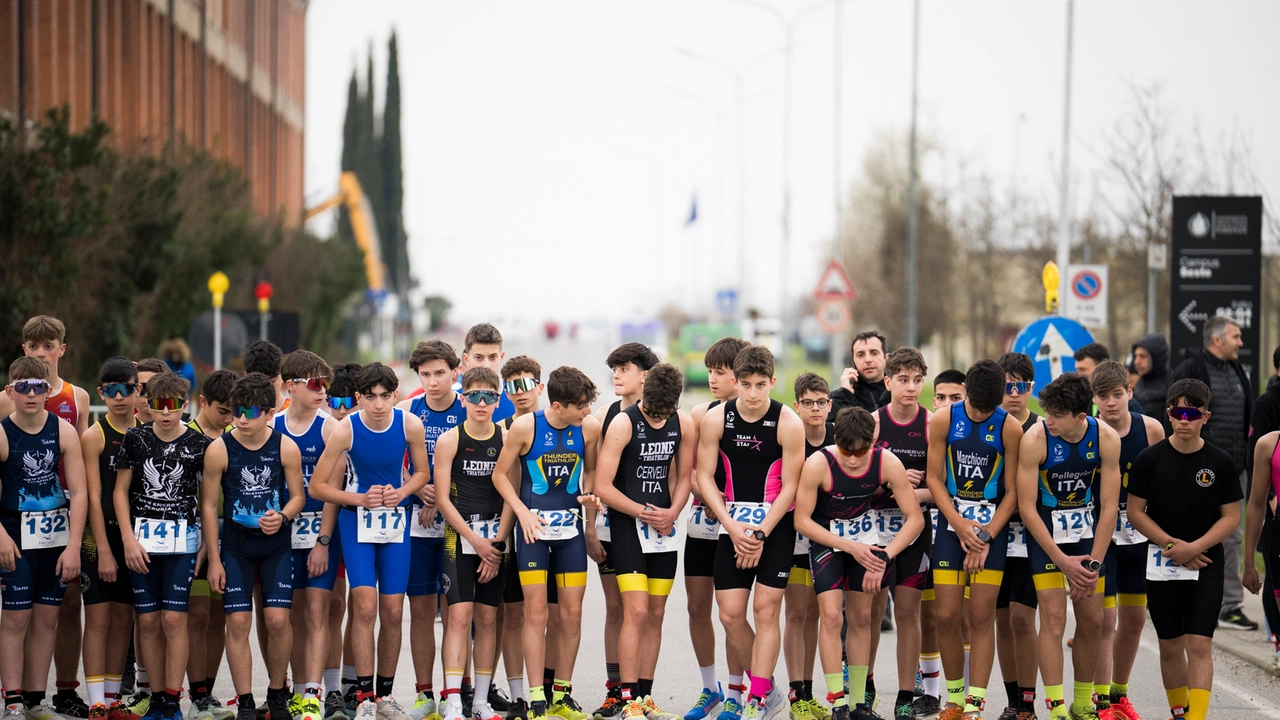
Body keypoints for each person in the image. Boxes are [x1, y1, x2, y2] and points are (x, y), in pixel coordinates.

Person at [309, 363, 431, 720]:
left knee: (393, 611)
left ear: (395, 395)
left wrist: (404, 491)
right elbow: (318, 487)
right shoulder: (346, 429)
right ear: (359, 397)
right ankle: (363, 695)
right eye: (370, 397)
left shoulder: (410, 424)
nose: (378, 405)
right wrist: (359, 498)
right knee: (363, 607)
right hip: (357, 521)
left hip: (395, 522)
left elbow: (422, 472)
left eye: (385, 396)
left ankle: (386, 696)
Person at [793, 406, 924, 720]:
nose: (852, 459)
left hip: (866, 546)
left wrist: (885, 554)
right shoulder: (818, 464)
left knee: (863, 618)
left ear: (874, 441)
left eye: (861, 451)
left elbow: (915, 519)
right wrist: (849, 546)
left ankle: (858, 704)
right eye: (846, 451)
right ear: (835, 440)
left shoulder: (887, 463)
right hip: (830, 542)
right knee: (831, 616)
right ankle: (837, 702)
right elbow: (801, 520)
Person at [696, 346, 805, 720]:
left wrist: (759, 534)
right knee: (729, 615)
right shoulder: (717, 419)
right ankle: (770, 689)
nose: (754, 393)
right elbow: (704, 477)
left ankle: (756, 698)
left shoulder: (788, 422)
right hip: (732, 526)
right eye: (746, 385)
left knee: (765, 610)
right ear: (735, 383)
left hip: (774, 527)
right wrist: (731, 526)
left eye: (761, 385)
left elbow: (791, 486)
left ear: (773, 382)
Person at [1127, 378, 1242, 720]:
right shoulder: (1150, 459)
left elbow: (1231, 517)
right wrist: (1171, 545)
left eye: (1192, 413)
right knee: (1170, 644)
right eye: (1178, 413)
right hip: (1163, 561)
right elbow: (1135, 512)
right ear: (1168, 414)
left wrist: (1194, 548)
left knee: (1199, 644)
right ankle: (1179, 712)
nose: (1184, 421)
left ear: (1206, 417)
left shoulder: (1220, 462)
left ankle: (1196, 717)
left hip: (1206, 561)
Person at [491, 367, 602, 720]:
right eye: (581, 406)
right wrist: (522, 512)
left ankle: (562, 694)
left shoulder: (590, 428)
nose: (587, 412)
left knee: (570, 614)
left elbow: (591, 473)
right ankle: (536, 696)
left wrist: (588, 504)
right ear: (558, 405)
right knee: (535, 614)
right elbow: (500, 476)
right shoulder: (526, 427)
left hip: (569, 534)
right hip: (533, 535)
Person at [591, 363, 694, 720]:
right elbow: (603, 486)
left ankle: (646, 696)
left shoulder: (683, 423)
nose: (656, 418)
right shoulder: (624, 423)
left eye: (663, 414)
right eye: (651, 411)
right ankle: (628, 696)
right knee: (634, 611)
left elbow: (684, 477)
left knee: (656, 613)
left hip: (664, 528)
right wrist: (642, 512)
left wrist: (673, 512)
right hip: (627, 525)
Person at [1016, 374, 1121, 720]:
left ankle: (1081, 703)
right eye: (1047, 412)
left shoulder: (1104, 437)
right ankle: (1057, 706)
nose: (1049, 421)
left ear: (1080, 416)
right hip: (1046, 536)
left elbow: (1109, 507)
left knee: (1093, 620)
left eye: (1057, 415)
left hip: (1086, 535)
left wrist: (1092, 565)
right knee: (1055, 619)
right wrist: (1062, 562)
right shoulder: (1036, 438)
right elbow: (1027, 508)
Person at [203, 373, 307, 720]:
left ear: (269, 412)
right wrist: (214, 560)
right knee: (237, 622)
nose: (241, 419)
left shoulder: (285, 447)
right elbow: (208, 506)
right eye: (236, 411)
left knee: (277, 620)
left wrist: (283, 517)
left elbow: (298, 497)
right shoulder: (219, 449)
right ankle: (245, 700)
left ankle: (277, 693)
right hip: (235, 546)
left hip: (275, 546)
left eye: (250, 412)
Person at [925, 361, 1023, 720]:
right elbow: (934, 479)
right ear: (965, 391)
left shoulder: (1009, 428)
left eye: (988, 409)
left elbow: (1013, 493)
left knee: (982, 618)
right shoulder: (944, 420)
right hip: (952, 527)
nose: (982, 414)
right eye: (976, 407)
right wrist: (959, 524)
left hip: (991, 532)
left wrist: (984, 536)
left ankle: (975, 704)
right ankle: (953, 699)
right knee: (947, 615)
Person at [114, 371, 209, 720]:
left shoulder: (200, 444)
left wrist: (205, 546)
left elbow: (209, 499)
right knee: (149, 621)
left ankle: (172, 700)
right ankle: (155, 699)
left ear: (185, 406)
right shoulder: (135, 438)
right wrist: (127, 540)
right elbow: (120, 491)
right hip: (142, 544)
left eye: (172, 406)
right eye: (158, 406)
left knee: (173, 620)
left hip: (183, 543)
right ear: (147, 406)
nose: (165, 413)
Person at [0, 356, 88, 720]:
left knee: (47, 618)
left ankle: (37, 699)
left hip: (54, 537)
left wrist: (73, 546)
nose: (32, 394)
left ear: (48, 391)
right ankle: (13, 699)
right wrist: (2, 537)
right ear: (10, 392)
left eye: (39, 387)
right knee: (16, 619)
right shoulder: (3, 433)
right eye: (23, 387)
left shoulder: (63, 432)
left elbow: (80, 493)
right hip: (15, 536)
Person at [21, 316, 93, 720]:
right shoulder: (6, 397)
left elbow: (81, 457)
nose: (40, 354)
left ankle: (65, 690)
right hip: (22, 508)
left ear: (61, 350)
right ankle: (21, 692)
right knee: (20, 606)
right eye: (33, 347)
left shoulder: (76, 397)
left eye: (47, 346)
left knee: (66, 602)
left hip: (65, 507)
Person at [434, 367, 513, 720]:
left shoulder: (508, 437)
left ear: (498, 400)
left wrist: (494, 545)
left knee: (488, 618)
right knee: (459, 617)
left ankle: (480, 702)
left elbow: (513, 495)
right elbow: (442, 499)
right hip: (459, 537)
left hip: (496, 539)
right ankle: (453, 701)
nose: (481, 403)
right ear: (463, 398)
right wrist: (475, 541)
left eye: (489, 396)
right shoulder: (450, 439)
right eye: (474, 396)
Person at [1170, 315, 1257, 631]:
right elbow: (1173, 416)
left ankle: (1228, 606)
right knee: (1189, 527)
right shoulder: (1190, 370)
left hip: (1234, 467)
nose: (1240, 342)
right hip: (1196, 466)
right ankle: (1180, 595)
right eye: (1235, 337)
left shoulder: (1236, 371)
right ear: (1217, 340)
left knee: (1232, 534)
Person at [1089, 361, 1165, 720]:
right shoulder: (1087, 432)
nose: (1112, 403)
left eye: (1118, 395)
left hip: (1138, 536)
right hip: (1101, 537)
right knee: (1106, 622)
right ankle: (1100, 701)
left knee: (1134, 620)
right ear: (1094, 399)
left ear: (1130, 393)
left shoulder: (1150, 430)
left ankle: (1119, 695)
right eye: (1103, 396)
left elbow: (1164, 485)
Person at [586, 343, 658, 720]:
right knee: (618, 608)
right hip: (613, 527)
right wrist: (590, 530)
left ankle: (643, 694)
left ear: (645, 374)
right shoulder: (604, 415)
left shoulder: (666, 414)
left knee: (649, 612)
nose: (615, 374)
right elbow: (593, 477)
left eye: (624, 368)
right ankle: (617, 692)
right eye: (613, 368)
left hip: (655, 530)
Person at [681, 338, 750, 720]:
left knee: (733, 613)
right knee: (696, 607)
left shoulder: (755, 416)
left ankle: (738, 693)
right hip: (702, 525)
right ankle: (710, 689)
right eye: (709, 371)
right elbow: (688, 471)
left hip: (738, 527)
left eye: (720, 372)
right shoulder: (700, 412)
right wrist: (704, 493)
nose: (712, 378)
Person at [396, 340, 465, 720]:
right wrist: (413, 483)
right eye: (425, 374)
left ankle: (460, 691)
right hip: (418, 525)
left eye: (440, 373)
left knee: (458, 614)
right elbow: (389, 463)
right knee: (421, 612)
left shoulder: (468, 408)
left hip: (458, 525)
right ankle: (425, 695)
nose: (433, 381)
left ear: (455, 371)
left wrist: (440, 495)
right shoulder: (407, 411)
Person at [868, 349, 934, 720]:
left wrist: (911, 493)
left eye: (917, 380)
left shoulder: (932, 424)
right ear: (888, 382)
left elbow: (941, 487)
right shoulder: (875, 423)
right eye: (903, 380)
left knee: (908, 611)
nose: (911, 388)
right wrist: (888, 481)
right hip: (876, 529)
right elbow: (857, 481)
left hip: (914, 530)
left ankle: (906, 696)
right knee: (874, 612)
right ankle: (868, 687)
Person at [276, 352, 342, 720]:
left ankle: (314, 694)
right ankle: (298, 689)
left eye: (325, 385)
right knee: (291, 615)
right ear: (291, 385)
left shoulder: (329, 427)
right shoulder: (275, 426)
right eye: (315, 384)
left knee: (318, 610)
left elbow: (332, 491)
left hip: (318, 529)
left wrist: (324, 541)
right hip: (283, 534)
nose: (322, 392)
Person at [80, 359, 143, 720]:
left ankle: (113, 695)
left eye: (127, 389)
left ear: (138, 390)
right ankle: (96, 701)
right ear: (102, 392)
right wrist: (103, 550)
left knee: (124, 620)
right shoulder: (94, 435)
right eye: (111, 391)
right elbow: (92, 495)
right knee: (99, 620)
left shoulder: (146, 432)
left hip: (135, 540)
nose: (120, 398)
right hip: (98, 539)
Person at [494, 355, 550, 720]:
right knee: (512, 617)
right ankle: (519, 696)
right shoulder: (498, 428)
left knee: (552, 616)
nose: (519, 392)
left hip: (551, 536)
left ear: (540, 387)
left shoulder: (555, 423)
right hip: (510, 535)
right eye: (511, 386)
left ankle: (554, 690)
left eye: (526, 384)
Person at [913, 369, 967, 719]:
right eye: (942, 397)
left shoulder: (972, 432)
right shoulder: (926, 428)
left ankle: (963, 694)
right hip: (924, 530)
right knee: (930, 614)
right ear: (934, 400)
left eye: (956, 398)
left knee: (963, 616)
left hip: (964, 531)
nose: (947, 404)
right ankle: (931, 691)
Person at [186, 370, 237, 720]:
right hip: (193, 534)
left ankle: (208, 692)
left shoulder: (238, 433)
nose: (230, 418)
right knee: (198, 613)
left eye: (235, 410)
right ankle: (196, 693)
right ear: (202, 403)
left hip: (229, 533)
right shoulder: (187, 435)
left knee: (221, 615)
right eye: (222, 410)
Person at [992, 353, 1040, 720]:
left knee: (1023, 619)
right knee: (1001, 619)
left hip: (1033, 537)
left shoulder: (1042, 427)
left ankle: (1028, 700)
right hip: (996, 535)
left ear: (1031, 388)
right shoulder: (990, 426)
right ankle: (1012, 699)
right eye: (1006, 386)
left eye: (1020, 386)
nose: (1013, 394)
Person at [785, 373, 831, 720]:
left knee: (815, 615)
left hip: (826, 535)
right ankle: (795, 694)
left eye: (821, 402)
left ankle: (809, 690)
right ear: (797, 406)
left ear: (829, 405)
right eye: (808, 403)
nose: (815, 409)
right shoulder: (792, 437)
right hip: (793, 536)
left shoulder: (837, 438)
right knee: (796, 613)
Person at [320, 363, 362, 720]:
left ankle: (352, 684)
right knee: (334, 604)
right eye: (335, 400)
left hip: (369, 526)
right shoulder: (327, 429)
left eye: (350, 401)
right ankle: (332, 688)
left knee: (362, 606)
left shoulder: (373, 426)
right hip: (330, 524)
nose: (342, 408)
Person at [457, 324, 516, 423]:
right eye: (479, 358)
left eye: (492, 357)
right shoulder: (454, 399)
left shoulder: (517, 397)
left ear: (501, 357)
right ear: (466, 359)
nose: (486, 365)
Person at [830, 332, 890, 416]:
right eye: (860, 355)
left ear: (886, 358)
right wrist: (844, 394)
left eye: (874, 353)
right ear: (853, 361)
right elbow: (827, 426)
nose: (868, 359)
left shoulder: (898, 394)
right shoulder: (842, 396)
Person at [1130, 334, 1172, 433]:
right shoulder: (1140, 383)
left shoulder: (1172, 383)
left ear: (1156, 358)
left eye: (1143, 356)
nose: (1137, 361)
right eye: (1135, 356)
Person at [243, 341, 287, 413]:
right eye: (259, 383)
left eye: (272, 381)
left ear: (282, 376)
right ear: (246, 377)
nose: (267, 388)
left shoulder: (293, 412)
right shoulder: (238, 412)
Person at [159, 340, 198, 406]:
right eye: (173, 353)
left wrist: (191, 399)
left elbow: (193, 385)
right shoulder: (164, 364)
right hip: (166, 396)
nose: (175, 356)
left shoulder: (188, 367)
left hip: (183, 397)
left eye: (177, 354)